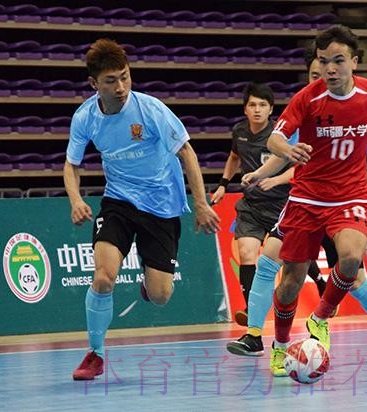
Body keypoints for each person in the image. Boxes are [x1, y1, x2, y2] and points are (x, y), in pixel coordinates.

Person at [266, 25, 367, 373]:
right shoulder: (307, 98)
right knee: (290, 282)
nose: (330, 69)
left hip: (351, 194)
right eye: (324, 61)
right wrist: (288, 150)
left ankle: (321, 317)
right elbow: (274, 139)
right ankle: (279, 346)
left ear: (354, 61)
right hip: (307, 198)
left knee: (352, 259)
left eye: (338, 61)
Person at [226, 49, 367, 376]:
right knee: (268, 262)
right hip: (305, 203)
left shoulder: (359, 106)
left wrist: (365, 181)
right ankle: (257, 336)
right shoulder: (306, 104)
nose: (325, 78)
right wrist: (260, 174)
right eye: (316, 75)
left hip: (343, 204)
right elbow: (286, 152)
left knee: (355, 278)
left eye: (331, 70)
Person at [64, 38, 220, 380]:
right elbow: (72, 164)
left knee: (161, 295)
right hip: (118, 201)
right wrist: (76, 199)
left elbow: (187, 153)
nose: (121, 87)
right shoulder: (86, 117)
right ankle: (95, 353)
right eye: (111, 81)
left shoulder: (150, 110)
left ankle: (149, 287)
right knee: (103, 277)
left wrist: (200, 203)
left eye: (125, 77)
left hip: (161, 205)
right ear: (93, 84)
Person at [210, 82, 326, 327]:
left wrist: (275, 180)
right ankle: (251, 311)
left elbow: (299, 168)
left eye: (262, 105)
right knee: (246, 252)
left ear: (271, 109)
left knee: (294, 256)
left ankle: (320, 282)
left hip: (281, 206)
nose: (257, 110)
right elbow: (234, 157)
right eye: (252, 105)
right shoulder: (240, 131)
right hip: (251, 206)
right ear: (245, 109)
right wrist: (222, 184)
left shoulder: (280, 136)